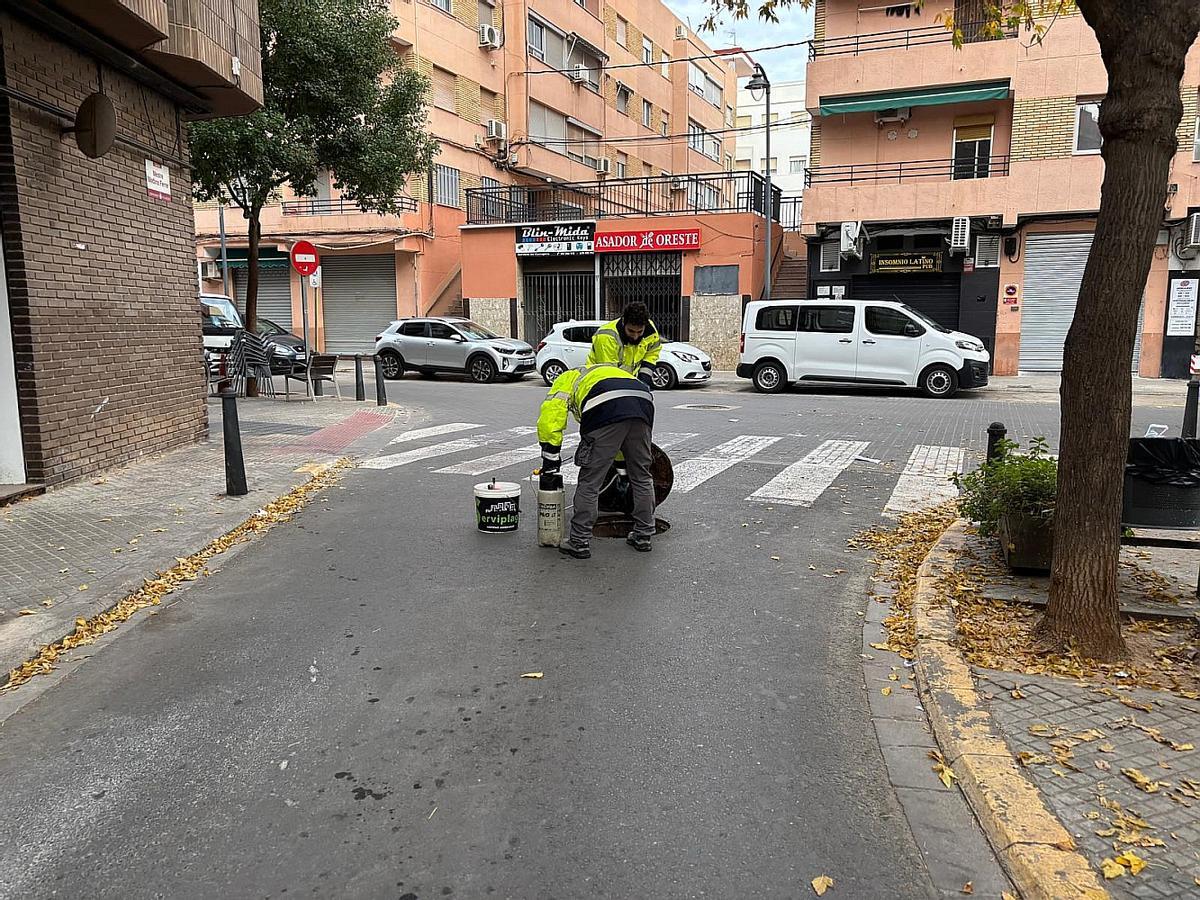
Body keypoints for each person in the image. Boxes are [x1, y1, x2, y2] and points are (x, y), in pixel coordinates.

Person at [537, 363, 656, 559]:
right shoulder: (605, 372)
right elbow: (621, 437)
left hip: (605, 407)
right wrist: (622, 469)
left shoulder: (565, 380)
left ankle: (579, 541)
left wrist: (550, 462)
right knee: (642, 477)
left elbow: (550, 419)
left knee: (590, 482)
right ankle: (643, 535)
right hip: (642, 404)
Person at [587, 302, 662, 386]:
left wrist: (644, 380)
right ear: (623, 322)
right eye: (631, 331)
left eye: (640, 331)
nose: (635, 336)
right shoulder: (607, 336)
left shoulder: (651, 331)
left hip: (626, 380)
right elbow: (609, 373)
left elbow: (652, 353)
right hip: (597, 382)